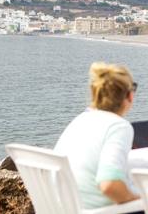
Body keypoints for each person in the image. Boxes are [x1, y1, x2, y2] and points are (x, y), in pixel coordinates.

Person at [55, 62, 140, 210]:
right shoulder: (119, 126)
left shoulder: (81, 119)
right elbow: (109, 185)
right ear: (130, 96)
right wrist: (138, 199)